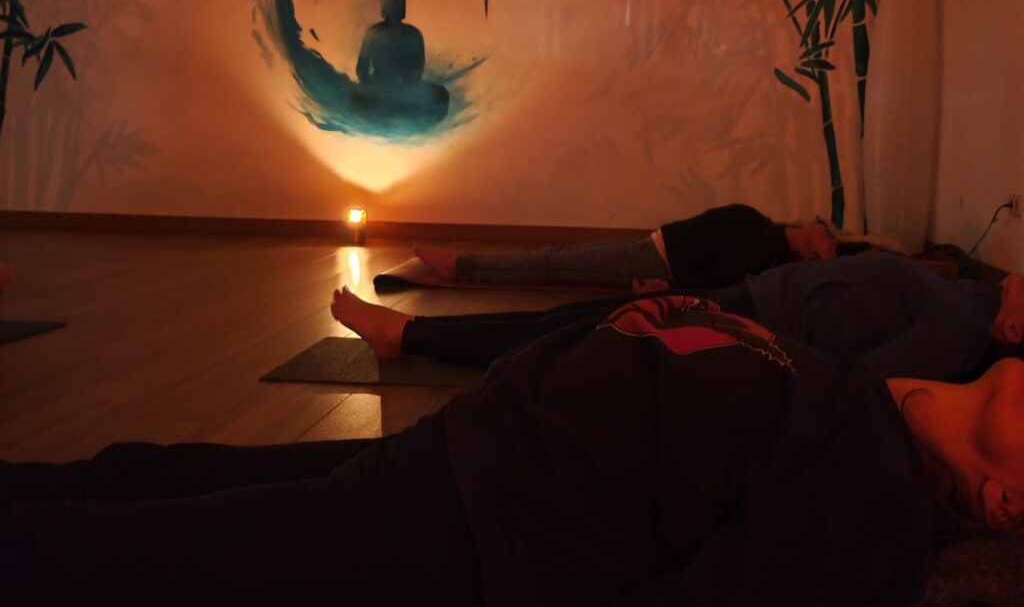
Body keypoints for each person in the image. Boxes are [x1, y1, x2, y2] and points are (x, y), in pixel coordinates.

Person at [3, 294, 1023, 607]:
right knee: (135, 475)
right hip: (448, 452)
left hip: (445, 543)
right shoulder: (857, 388)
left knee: (111, 557)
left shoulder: (874, 506)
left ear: (1004, 502)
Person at [336, 253, 1024, 382]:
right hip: (756, 297)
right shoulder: (970, 301)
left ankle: (410, 334)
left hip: (756, 329)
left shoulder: (960, 332)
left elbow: (857, 384)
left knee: (576, 333)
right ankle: (413, 335)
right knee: (577, 317)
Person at [412, 203, 839, 290]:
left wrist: (665, 290)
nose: (828, 234)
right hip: (650, 248)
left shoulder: (764, 247)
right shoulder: (764, 228)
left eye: (829, 248)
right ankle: (464, 263)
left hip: (653, 262)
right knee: (557, 259)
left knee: (552, 263)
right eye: (830, 237)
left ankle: (461, 265)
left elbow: (715, 278)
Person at [351, 0, 449, 129]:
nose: (392, 5)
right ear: (383, 4)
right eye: (388, 0)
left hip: (407, 91)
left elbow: (418, 69)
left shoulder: (413, 34)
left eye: (396, 1)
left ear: (403, 4)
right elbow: (361, 69)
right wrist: (372, 86)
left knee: (441, 95)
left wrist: (404, 85)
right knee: (353, 97)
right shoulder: (373, 33)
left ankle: (397, 112)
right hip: (379, 88)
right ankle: (388, 112)